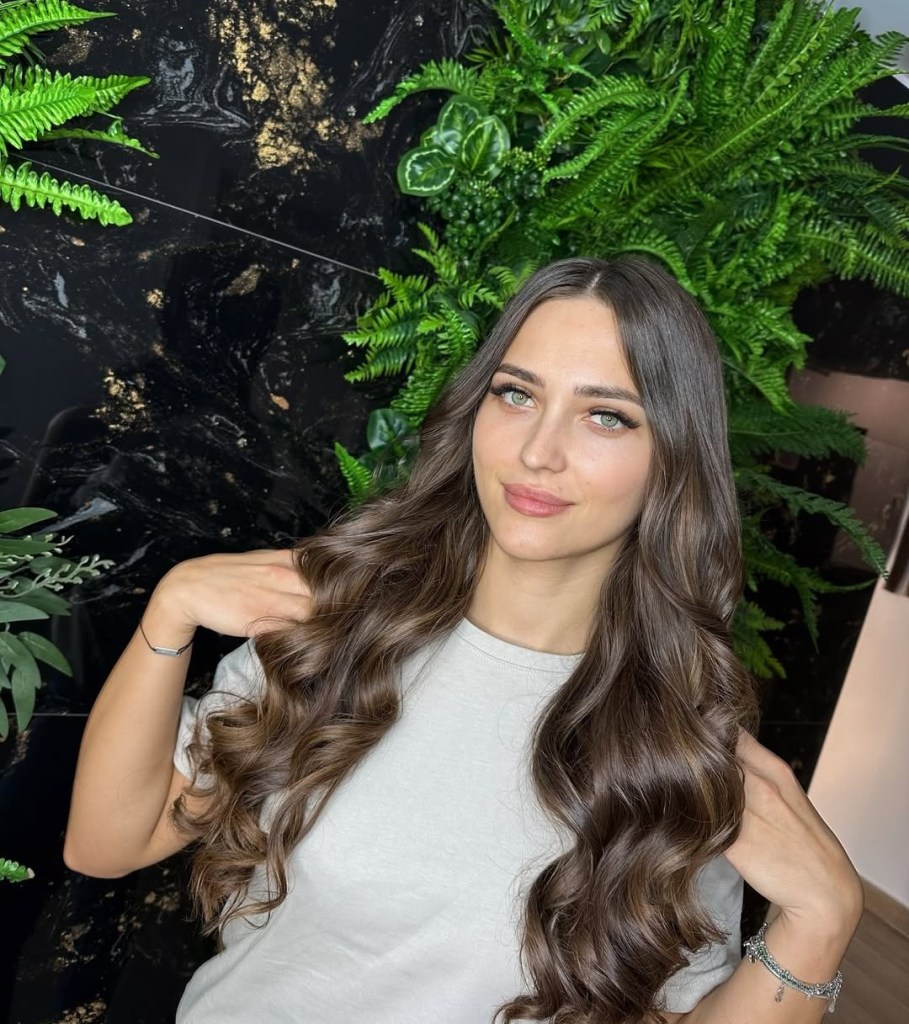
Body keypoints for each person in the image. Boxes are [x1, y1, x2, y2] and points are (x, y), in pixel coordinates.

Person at [64, 257, 863, 1024]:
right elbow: (107, 844)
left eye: (605, 415)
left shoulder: (671, 749)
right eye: (516, 394)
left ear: (672, 460)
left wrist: (820, 923)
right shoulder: (337, 630)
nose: (537, 452)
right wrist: (168, 615)